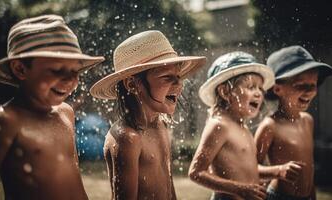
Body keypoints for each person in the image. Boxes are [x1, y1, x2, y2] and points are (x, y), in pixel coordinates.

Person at [0, 14, 104, 200]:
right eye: (57, 70)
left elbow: (74, 180)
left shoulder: (66, 113)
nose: (70, 79)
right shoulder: (8, 120)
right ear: (20, 69)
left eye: (75, 70)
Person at [90, 30, 206, 200]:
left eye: (178, 76)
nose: (179, 84)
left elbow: (169, 187)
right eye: (167, 78)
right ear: (132, 84)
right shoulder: (127, 137)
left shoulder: (161, 125)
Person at [188, 51, 275, 200]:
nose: (259, 93)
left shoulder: (243, 127)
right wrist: (239, 189)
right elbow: (196, 173)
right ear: (225, 92)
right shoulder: (219, 125)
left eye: (260, 88)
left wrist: (277, 171)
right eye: (251, 87)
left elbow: (248, 170)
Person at [254, 45, 332, 200]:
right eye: (301, 85)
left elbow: (308, 173)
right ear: (277, 89)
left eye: (314, 85)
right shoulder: (270, 126)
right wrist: (277, 170)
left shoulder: (307, 121)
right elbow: (248, 169)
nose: (309, 91)